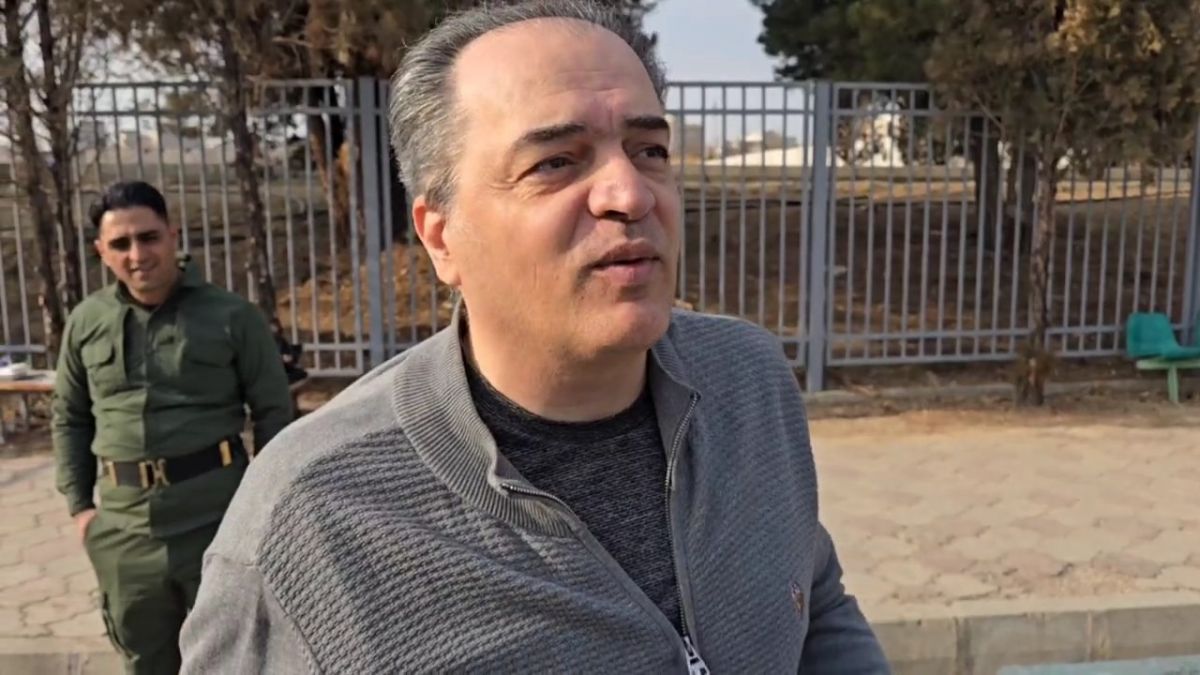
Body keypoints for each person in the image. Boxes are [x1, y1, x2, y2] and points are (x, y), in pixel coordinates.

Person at [180, 1, 889, 672]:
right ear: (441, 237)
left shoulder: (749, 381)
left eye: (649, 149)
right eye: (555, 162)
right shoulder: (311, 517)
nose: (631, 194)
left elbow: (811, 598)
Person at [51, 180, 294, 674]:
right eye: (120, 243)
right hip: (124, 532)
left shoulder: (232, 316)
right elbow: (70, 416)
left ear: (172, 235)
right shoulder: (86, 321)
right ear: (101, 251)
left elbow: (274, 414)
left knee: (233, 660)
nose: (138, 255)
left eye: (149, 237)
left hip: (218, 522)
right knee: (144, 662)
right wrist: (81, 509)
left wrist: (263, 510)